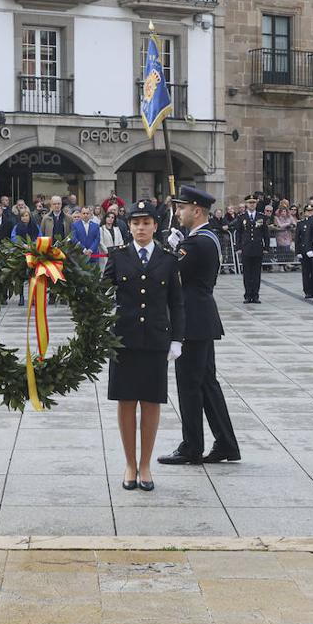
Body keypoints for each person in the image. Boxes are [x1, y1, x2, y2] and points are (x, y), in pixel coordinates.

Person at [104, 200, 184, 492]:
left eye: (146, 223)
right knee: (126, 402)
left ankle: (146, 465)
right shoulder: (118, 256)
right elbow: (102, 294)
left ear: (155, 226)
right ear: (129, 226)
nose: (140, 228)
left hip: (154, 339)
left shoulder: (168, 258)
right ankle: (129, 464)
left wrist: (177, 339)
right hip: (123, 339)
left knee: (151, 402)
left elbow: (176, 302)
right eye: (135, 223)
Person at [159, 186, 239, 468]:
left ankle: (191, 446)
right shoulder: (206, 238)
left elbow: (169, 275)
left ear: (197, 210)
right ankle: (226, 443)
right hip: (203, 318)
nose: (177, 213)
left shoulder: (197, 243)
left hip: (192, 322)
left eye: (181, 208)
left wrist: (170, 249)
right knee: (207, 384)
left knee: (190, 387)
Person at [232, 194, 268, 304]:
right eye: (250, 203)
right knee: (247, 273)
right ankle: (248, 295)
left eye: (253, 203)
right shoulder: (241, 217)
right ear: (246, 204)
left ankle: (255, 295)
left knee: (256, 273)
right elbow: (238, 233)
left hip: (257, 248)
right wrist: (238, 247)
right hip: (246, 248)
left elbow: (265, 233)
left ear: (256, 204)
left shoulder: (261, 217)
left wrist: (266, 247)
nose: (252, 205)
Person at [10, 206, 40, 305]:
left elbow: (39, 236)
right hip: (21, 253)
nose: (24, 218)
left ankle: (33, 297)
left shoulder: (35, 226)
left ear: (30, 216)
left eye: (26, 216)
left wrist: (32, 245)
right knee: (21, 276)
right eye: (22, 216)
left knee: (33, 275)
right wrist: (23, 245)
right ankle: (21, 297)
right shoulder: (17, 227)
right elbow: (13, 237)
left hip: (33, 253)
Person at [295, 204, 313, 299]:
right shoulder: (301, 223)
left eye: (311, 211)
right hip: (304, 250)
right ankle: (307, 290)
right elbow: (298, 238)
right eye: (308, 211)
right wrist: (298, 251)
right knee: (306, 272)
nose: (309, 213)